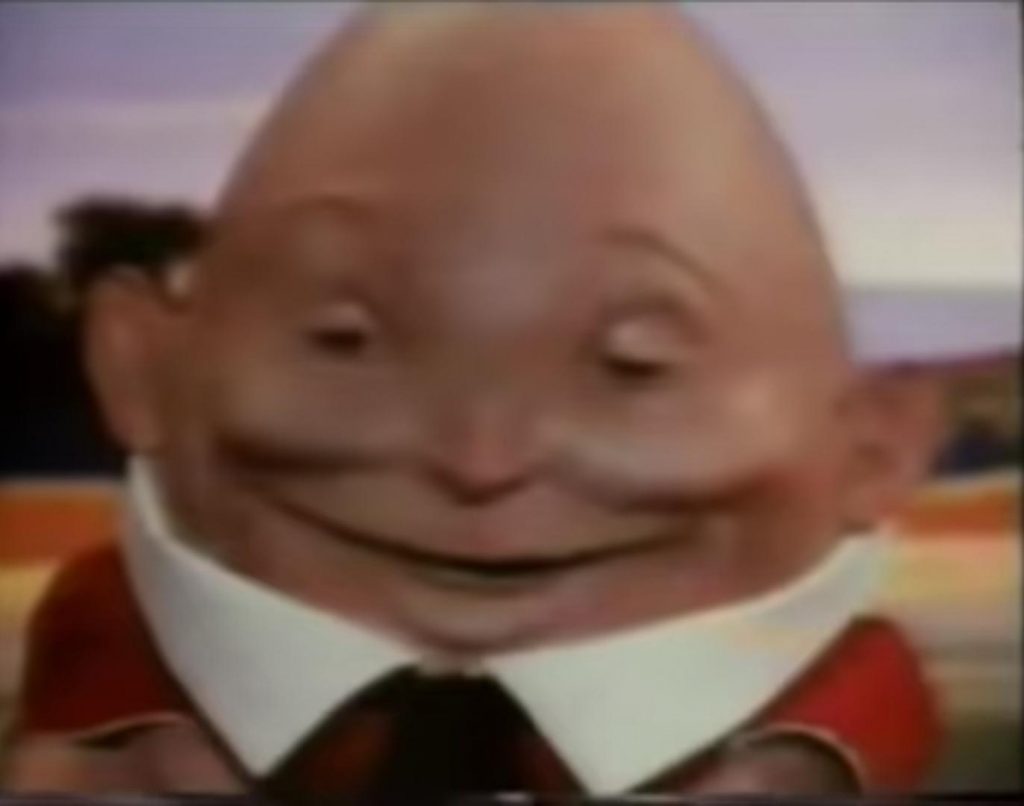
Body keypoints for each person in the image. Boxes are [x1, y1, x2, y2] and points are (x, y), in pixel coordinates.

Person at [3, 4, 942, 799]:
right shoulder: (113, 619)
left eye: (633, 367)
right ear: (140, 371)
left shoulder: (831, 674)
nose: (481, 459)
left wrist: (804, 761)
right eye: (346, 344)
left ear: (874, 450)